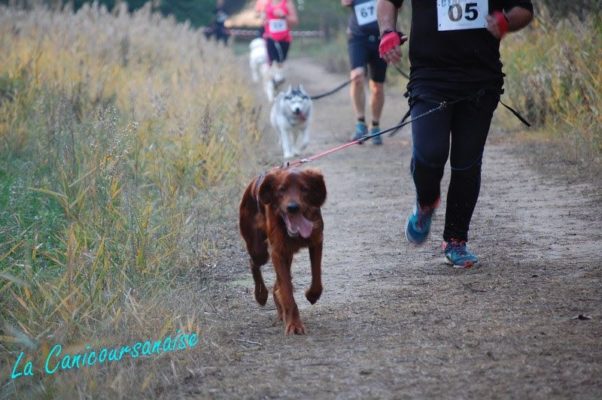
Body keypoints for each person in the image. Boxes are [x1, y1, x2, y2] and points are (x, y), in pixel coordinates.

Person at [377, 0, 533, 268]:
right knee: (430, 153)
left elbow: (524, 9)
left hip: (481, 79)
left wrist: (506, 22)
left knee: (467, 162)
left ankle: (456, 240)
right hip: (430, 77)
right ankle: (426, 202)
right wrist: (387, 32)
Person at [341, 0, 391, 145]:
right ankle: (360, 123)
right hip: (358, 38)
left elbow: (395, 7)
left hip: (381, 38)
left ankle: (375, 126)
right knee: (357, 77)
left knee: (377, 87)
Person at [261, 0, 299, 87]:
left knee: (280, 62)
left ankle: (276, 80)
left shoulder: (287, 3)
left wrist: (283, 16)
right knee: (271, 62)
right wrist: (264, 20)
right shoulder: (268, 3)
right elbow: (263, 20)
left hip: (284, 39)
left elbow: (295, 21)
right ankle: (271, 82)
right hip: (270, 38)